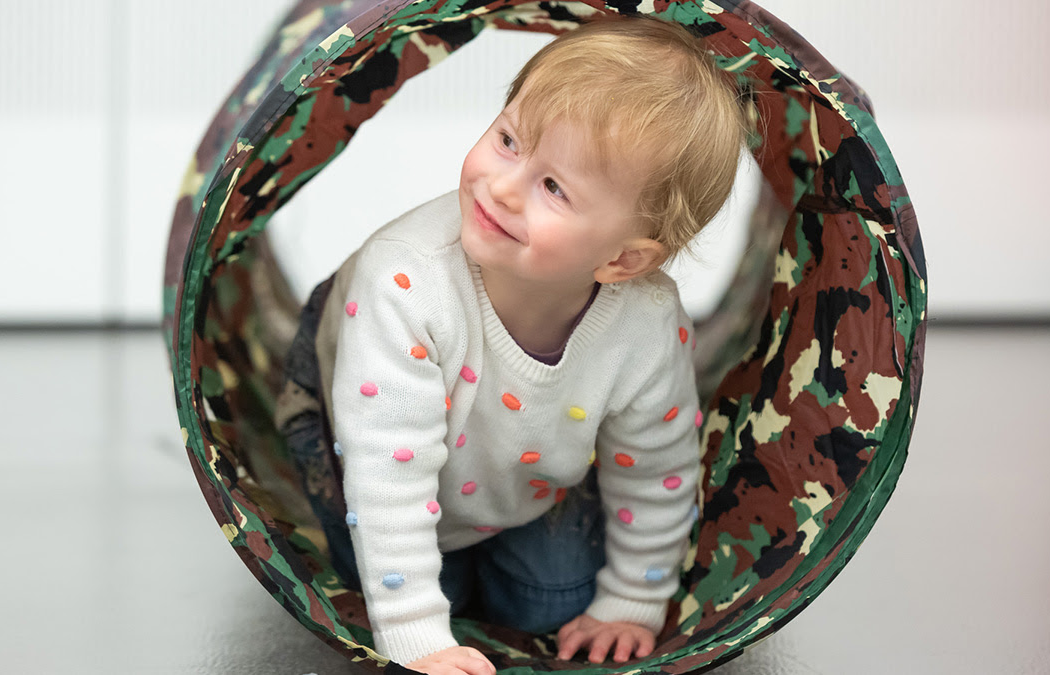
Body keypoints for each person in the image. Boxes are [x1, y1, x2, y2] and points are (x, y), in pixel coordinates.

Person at [282, 15, 750, 675]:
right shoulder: (406, 285)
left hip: (513, 455)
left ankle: (477, 554)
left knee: (550, 600)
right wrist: (417, 633)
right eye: (508, 140)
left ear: (622, 259)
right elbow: (387, 467)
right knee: (405, 583)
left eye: (554, 187)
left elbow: (655, 467)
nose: (501, 186)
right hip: (356, 413)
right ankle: (449, 568)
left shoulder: (644, 322)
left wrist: (634, 598)